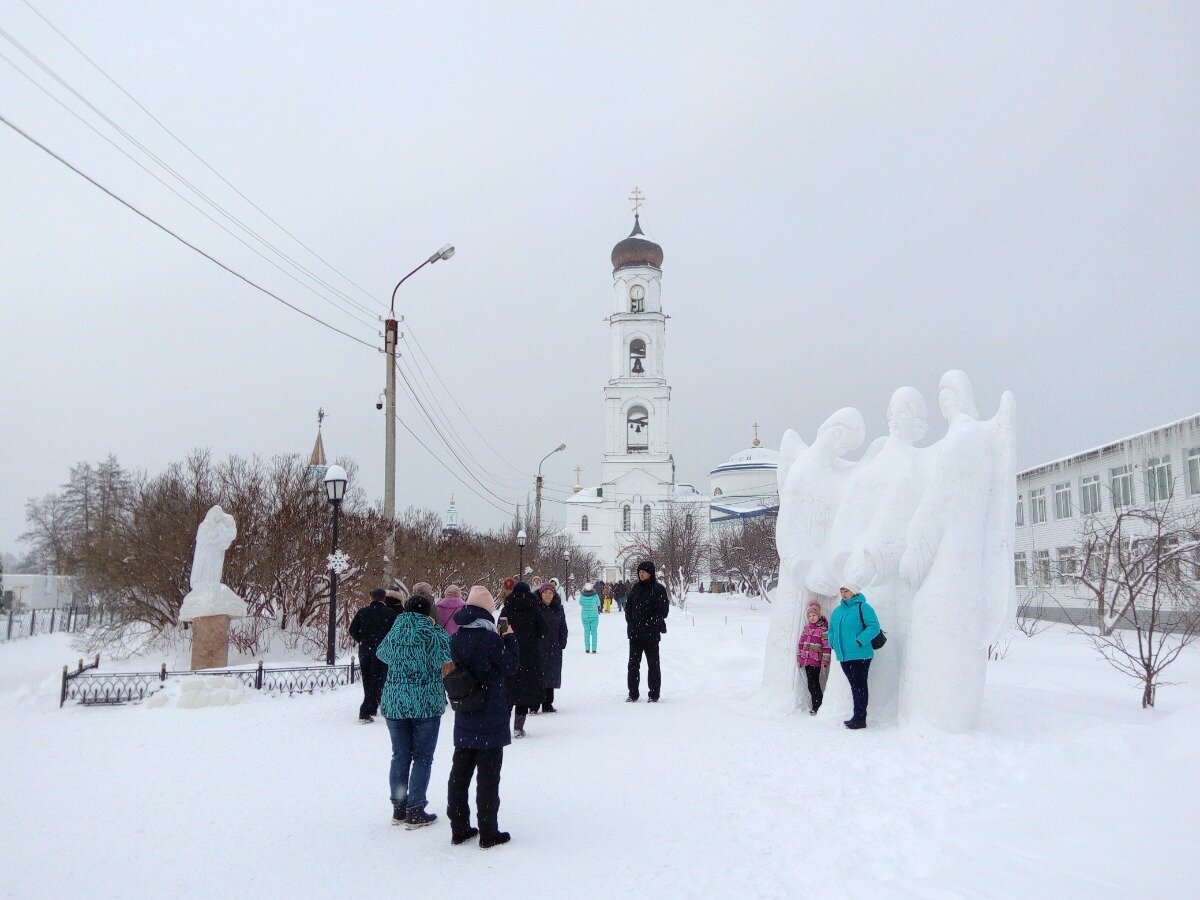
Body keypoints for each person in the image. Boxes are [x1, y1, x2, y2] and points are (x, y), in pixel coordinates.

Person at [447, 586, 519, 848]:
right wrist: (509, 638)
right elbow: (511, 665)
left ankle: (459, 827)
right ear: (487, 610)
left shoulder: (456, 637)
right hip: (489, 714)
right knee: (488, 779)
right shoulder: (489, 640)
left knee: (459, 775)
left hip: (465, 712)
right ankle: (489, 832)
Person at [375, 594, 451, 828]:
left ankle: (399, 807)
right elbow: (446, 656)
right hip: (426, 703)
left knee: (400, 755)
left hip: (395, 702)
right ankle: (415, 809)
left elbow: (382, 654)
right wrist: (436, 630)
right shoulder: (433, 633)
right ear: (428, 612)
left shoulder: (396, 630)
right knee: (422, 757)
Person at [828, 585, 881, 729]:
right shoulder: (838, 611)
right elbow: (831, 629)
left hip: (860, 654)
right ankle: (856, 716)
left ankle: (860, 718)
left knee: (860, 686)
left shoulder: (863, 607)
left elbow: (874, 627)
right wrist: (831, 641)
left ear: (854, 592)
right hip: (844, 655)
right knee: (854, 686)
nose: (843, 594)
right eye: (842, 591)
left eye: (847, 591)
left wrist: (859, 640)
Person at [348, 586, 402, 723]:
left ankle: (371, 707)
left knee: (367, 679)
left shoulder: (363, 612)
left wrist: (363, 639)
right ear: (383, 598)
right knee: (379, 679)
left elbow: (352, 630)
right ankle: (366, 710)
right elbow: (396, 633)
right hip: (383, 651)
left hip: (365, 650)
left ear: (371, 597)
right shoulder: (390, 613)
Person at [501, 581, 546, 735]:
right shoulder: (534, 609)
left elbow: (501, 630)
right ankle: (518, 727)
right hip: (529, 654)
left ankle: (503, 725)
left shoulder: (507, 609)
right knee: (524, 691)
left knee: (509, 690)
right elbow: (542, 630)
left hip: (510, 652)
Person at [624, 561, 669, 702]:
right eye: (639, 571)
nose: (641, 574)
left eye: (644, 571)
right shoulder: (635, 588)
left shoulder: (658, 589)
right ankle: (633, 693)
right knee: (633, 666)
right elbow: (628, 609)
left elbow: (663, 611)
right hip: (636, 635)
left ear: (650, 573)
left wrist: (651, 622)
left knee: (653, 666)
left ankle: (654, 694)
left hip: (651, 635)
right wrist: (631, 623)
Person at [537, 582, 569, 712]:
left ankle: (547, 703)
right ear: (541, 594)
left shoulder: (558, 609)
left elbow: (563, 627)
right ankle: (535, 704)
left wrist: (562, 642)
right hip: (539, 646)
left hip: (554, 646)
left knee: (551, 675)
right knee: (538, 674)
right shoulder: (536, 608)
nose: (548, 596)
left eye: (550, 593)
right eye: (545, 593)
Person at [796, 601, 831, 715]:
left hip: (816, 662)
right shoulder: (806, 629)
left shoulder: (823, 630)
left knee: (814, 684)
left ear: (819, 615)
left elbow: (826, 647)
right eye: (810, 616)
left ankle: (817, 706)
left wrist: (824, 663)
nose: (812, 618)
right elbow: (801, 644)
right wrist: (799, 658)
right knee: (811, 684)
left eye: (814, 615)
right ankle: (816, 705)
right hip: (807, 661)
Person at [578, 582, 600, 653]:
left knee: (586, 632)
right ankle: (594, 649)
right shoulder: (595, 595)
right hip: (594, 615)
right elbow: (598, 603)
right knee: (594, 632)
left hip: (585, 616)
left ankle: (587, 648)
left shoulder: (582, 595)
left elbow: (580, 603)